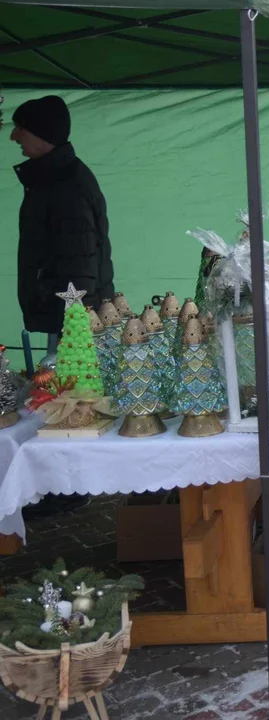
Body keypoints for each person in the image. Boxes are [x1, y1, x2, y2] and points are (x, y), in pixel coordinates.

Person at [12, 95, 112, 518]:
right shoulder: (55, 177)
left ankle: (69, 488)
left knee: (67, 403)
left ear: (43, 136)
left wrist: (73, 318)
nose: (14, 136)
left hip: (69, 314)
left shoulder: (65, 185)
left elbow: (80, 262)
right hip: (66, 310)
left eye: (21, 129)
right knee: (64, 402)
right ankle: (65, 486)